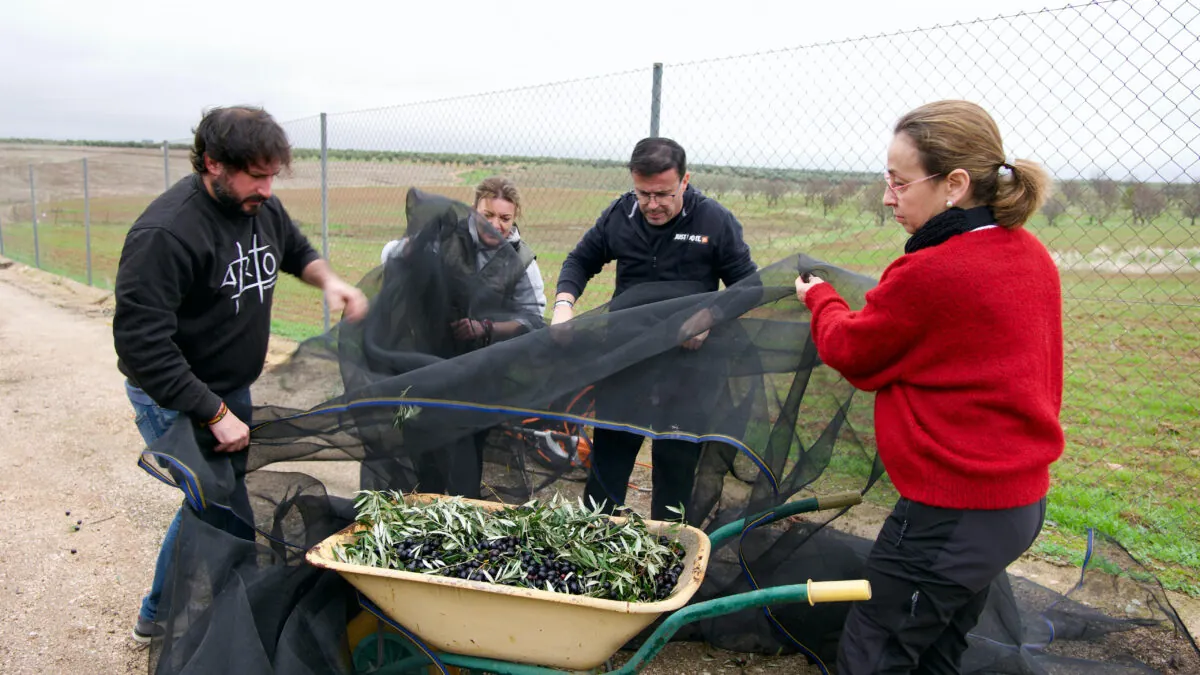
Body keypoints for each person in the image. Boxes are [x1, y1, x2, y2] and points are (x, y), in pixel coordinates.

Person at [793, 100, 1064, 674]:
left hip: (954, 511)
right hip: (1015, 505)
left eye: (899, 182)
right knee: (938, 646)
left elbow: (853, 351)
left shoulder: (934, 269)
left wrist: (820, 298)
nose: (887, 197)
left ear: (954, 185)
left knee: (875, 648)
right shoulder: (1028, 252)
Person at [113, 105, 369, 643]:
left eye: (273, 176)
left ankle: (167, 611)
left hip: (230, 387)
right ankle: (175, 616)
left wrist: (329, 281)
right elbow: (142, 345)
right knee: (216, 504)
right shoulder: (166, 234)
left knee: (218, 501)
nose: (268, 190)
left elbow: (295, 249)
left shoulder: (259, 207)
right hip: (177, 395)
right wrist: (213, 412)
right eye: (256, 176)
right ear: (213, 163)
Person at [551, 137, 758, 521]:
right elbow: (580, 260)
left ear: (684, 180)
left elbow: (749, 287)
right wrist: (564, 304)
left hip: (688, 370)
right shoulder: (621, 214)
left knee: (675, 467)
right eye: (643, 193)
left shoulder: (714, 221)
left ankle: (668, 544)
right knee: (609, 458)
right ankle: (595, 535)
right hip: (627, 360)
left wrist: (709, 317)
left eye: (663, 194)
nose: (651, 204)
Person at [372, 177, 546, 496]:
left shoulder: (521, 260)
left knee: (466, 447)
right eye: (487, 215)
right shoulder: (447, 236)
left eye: (505, 218)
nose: (495, 225)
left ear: (515, 217)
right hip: (429, 360)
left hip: (481, 369)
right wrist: (412, 248)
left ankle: (460, 503)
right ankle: (424, 499)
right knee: (423, 437)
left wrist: (486, 328)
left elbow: (532, 316)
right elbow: (389, 255)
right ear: (473, 209)